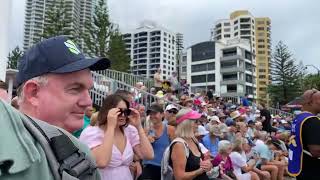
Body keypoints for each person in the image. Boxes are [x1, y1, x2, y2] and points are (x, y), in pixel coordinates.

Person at [0, 36, 111, 179]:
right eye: (75, 89)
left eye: (88, 90)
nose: (88, 102)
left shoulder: (81, 154)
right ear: (33, 92)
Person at [79, 94, 154, 180]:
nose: (123, 115)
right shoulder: (92, 133)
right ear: (107, 111)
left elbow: (148, 155)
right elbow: (102, 162)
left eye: (126, 112)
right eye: (118, 112)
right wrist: (111, 127)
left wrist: (139, 126)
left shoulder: (129, 130)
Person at [170, 109, 212, 180]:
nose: (198, 124)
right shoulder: (179, 145)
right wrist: (200, 171)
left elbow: (200, 163)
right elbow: (179, 177)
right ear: (187, 123)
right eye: (195, 121)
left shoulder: (193, 139)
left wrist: (208, 165)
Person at [288, 89, 320, 180]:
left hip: (301, 166)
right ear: (310, 102)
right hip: (313, 170)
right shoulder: (312, 121)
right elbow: (316, 151)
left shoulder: (298, 118)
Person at [139, 103, 175, 180]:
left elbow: (175, 149)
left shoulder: (170, 130)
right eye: (150, 114)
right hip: (148, 167)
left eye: (155, 113)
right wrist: (146, 141)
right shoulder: (146, 131)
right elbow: (140, 152)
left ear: (162, 114)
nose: (152, 116)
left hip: (164, 168)